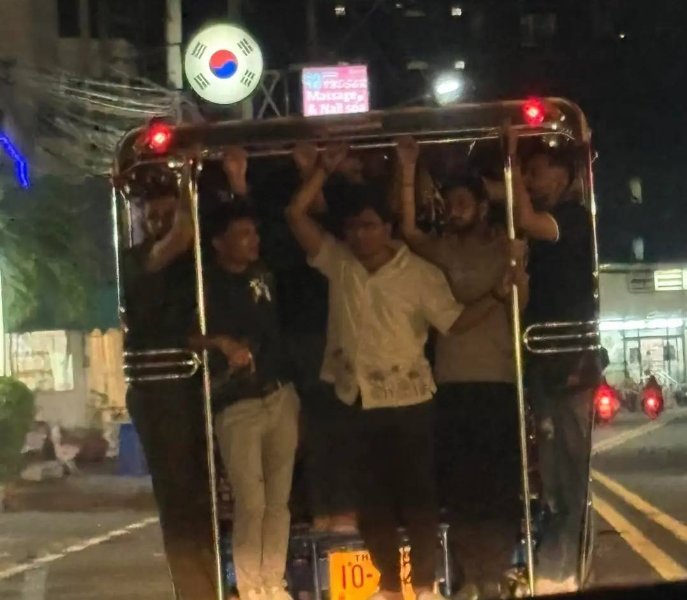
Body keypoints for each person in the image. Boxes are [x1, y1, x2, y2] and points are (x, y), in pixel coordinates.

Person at [285, 142, 503, 600]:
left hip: (411, 401)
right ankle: (388, 586)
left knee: (418, 499)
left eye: (369, 226)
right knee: (373, 504)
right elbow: (295, 215)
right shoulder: (340, 263)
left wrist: (500, 297)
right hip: (355, 398)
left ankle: (423, 585)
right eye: (353, 227)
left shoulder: (420, 274)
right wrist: (322, 170)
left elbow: (455, 321)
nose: (359, 235)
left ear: (387, 229)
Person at [397, 135, 529, 595]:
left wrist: (516, 271)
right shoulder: (444, 250)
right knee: (460, 487)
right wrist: (408, 167)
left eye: (462, 203)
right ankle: (471, 575)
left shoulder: (507, 248)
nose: (453, 211)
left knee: (498, 486)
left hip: (499, 380)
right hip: (451, 382)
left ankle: (494, 572)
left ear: (483, 208)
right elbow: (409, 232)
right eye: (450, 203)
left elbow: (520, 308)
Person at [195, 149, 300, 600]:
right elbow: (185, 334)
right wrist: (221, 343)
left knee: (279, 502)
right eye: (242, 235)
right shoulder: (204, 284)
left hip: (279, 394)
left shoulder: (264, 269)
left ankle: (273, 582)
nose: (253, 240)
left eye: (253, 233)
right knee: (251, 502)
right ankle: (251, 586)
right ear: (219, 243)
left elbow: (267, 224)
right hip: (236, 403)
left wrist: (239, 179)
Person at [508, 132, 600, 595]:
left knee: (567, 473)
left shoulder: (573, 218)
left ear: (563, 176)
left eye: (535, 173)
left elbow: (524, 217)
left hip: (568, 363)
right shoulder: (543, 228)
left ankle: (560, 570)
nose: (529, 181)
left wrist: (508, 158)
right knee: (550, 471)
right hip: (544, 363)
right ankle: (553, 561)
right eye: (525, 174)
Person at [122, 170, 215, 600]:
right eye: (153, 216)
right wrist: (186, 181)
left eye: (167, 213)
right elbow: (181, 237)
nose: (160, 222)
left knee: (206, 495)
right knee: (178, 498)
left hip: (199, 387)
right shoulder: (137, 260)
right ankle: (196, 591)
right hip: (160, 392)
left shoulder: (198, 262)